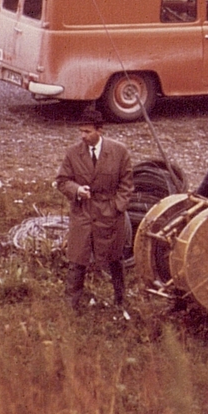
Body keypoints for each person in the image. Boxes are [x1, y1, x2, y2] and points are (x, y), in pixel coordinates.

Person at [56, 104, 134, 314]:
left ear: (100, 130)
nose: (83, 136)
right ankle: (70, 306)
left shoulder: (119, 152)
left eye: (87, 131)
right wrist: (77, 190)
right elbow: (62, 181)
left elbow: (127, 184)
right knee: (77, 259)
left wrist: (117, 207)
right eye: (81, 131)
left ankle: (120, 300)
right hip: (83, 212)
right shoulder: (73, 153)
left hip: (109, 214)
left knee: (115, 259)